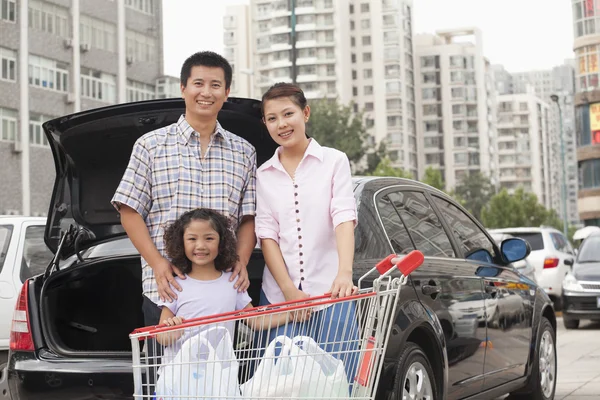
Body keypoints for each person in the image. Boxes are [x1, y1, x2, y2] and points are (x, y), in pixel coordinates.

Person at [111, 51, 257, 331]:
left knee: (221, 370)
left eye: (215, 85)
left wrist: (242, 260)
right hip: (166, 289)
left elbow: (249, 217)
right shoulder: (150, 145)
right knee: (164, 372)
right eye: (198, 83)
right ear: (183, 88)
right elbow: (129, 211)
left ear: (226, 92)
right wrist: (157, 264)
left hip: (223, 293)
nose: (206, 92)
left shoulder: (244, 151)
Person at [254, 82, 359, 381]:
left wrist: (344, 272)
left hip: (331, 294)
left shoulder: (334, 161)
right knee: (278, 387)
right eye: (272, 118)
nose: (281, 124)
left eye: (288, 114)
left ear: (306, 113)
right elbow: (267, 235)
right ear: (265, 123)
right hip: (279, 299)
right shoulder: (263, 174)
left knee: (335, 385)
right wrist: (288, 291)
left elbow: (343, 218)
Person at [154, 208, 289, 356]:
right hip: (180, 374)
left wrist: (291, 315)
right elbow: (161, 336)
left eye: (209, 238)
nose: (200, 246)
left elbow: (255, 321)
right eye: (192, 239)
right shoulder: (174, 285)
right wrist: (171, 333)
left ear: (222, 242)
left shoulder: (233, 282)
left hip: (221, 374)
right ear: (181, 243)